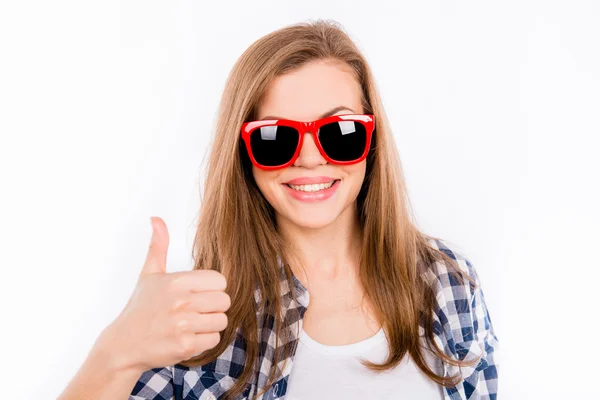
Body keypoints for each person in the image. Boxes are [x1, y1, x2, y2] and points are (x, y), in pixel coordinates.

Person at [58, 19, 499, 400]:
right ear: (244, 152)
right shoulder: (196, 315)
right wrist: (117, 351)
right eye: (276, 138)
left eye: (339, 132)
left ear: (372, 140)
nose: (309, 158)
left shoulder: (448, 283)